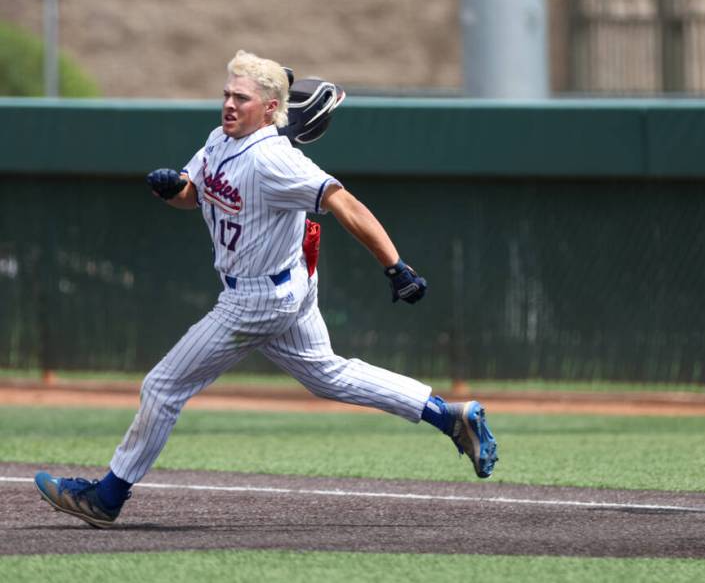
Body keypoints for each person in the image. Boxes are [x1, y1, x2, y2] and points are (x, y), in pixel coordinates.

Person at [34, 50, 498, 529]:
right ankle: (447, 415)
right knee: (327, 375)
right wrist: (174, 188)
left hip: (256, 300)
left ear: (272, 109)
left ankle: (107, 497)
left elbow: (346, 204)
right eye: (227, 94)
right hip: (283, 284)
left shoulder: (276, 160)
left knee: (163, 386)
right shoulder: (219, 139)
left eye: (242, 98)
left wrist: (395, 266)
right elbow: (195, 195)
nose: (229, 104)